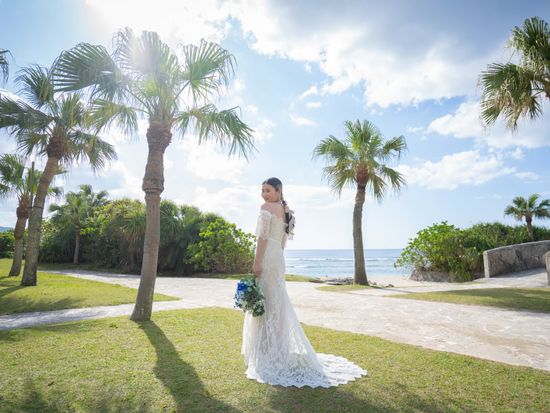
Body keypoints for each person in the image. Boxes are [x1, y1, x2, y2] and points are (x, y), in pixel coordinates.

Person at [241, 177, 367, 387]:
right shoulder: (287, 211)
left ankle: (266, 352)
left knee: (267, 301)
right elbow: (283, 242)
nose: (264, 194)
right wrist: (276, 258)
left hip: (268, 256)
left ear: (279, 190)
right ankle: (275, 350)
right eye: (262, 190)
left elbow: (262, 238)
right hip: (278, 258)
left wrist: (257, 262)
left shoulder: (266, 208)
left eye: (268, 190)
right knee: (276, 302)